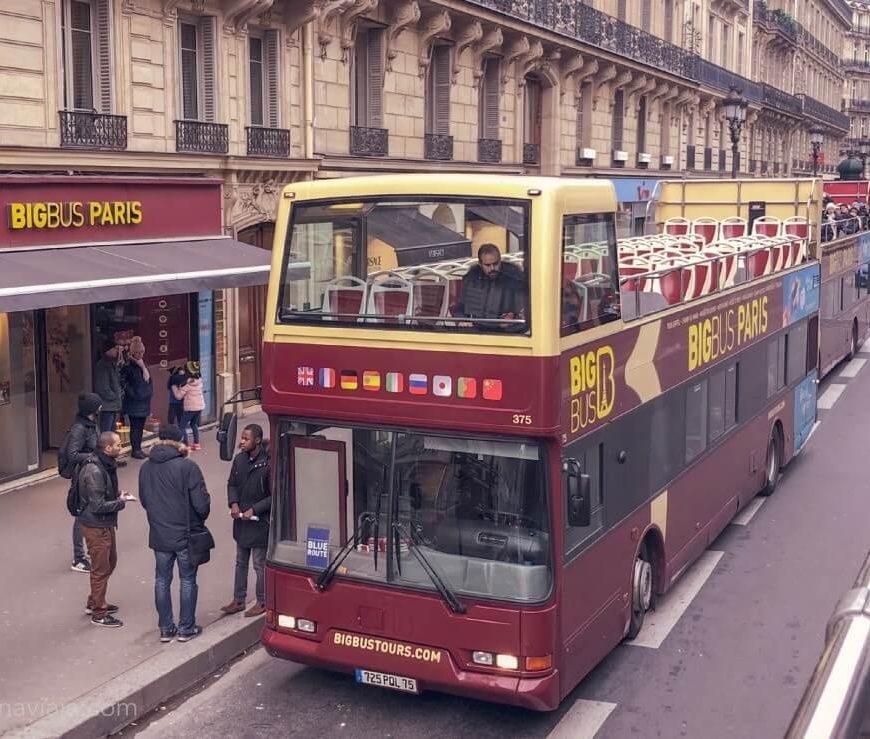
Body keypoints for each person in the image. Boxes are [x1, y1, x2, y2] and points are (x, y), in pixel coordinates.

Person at [139, 425, 210, 643]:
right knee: (187, 579)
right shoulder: (187, 466)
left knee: (162, 580)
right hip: (185, 534)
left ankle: (166, 628)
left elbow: (145, 500)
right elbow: (201, 504)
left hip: (159, 533)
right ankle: (186, 628)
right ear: (180, 440)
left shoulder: (145, 467)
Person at [77, 431, 135, 627]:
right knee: (101, 568)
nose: (121, 447)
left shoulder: (105, 464)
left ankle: (95, 601)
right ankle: (99, 614)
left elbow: (101, 494)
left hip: (104, 523)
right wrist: (121, 501)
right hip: (96, 524)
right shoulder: (94, 470)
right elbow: (97, 506)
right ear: (107, 448)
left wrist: (118, 494)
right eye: (118, 444)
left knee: (110, 562)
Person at [221, 425, 271, 618]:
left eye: (246, 438)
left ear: (257, 441)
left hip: (259, 522)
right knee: (240, 561)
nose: (242, 441)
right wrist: (233, 504)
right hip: (242, 521)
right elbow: (231, 484)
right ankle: (238, 599)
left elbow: (273, 495)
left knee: (259, 563)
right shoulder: (239, 460)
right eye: (242, 438)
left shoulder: (267, 464)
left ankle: (262, 600)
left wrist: (254, 509)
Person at [63, 391, 102, 573]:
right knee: (81, 514)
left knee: (89, 511)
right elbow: (72, 454)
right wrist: (95, 456)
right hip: (83, 476)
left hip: (90, 472)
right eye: (98, 405)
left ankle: (86, 552)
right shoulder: (80, 428)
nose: (101, 408)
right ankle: (79, 558)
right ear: (92, 409)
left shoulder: (91, 424)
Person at [458, 244, 527, 328]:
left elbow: (525, 310)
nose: (492, 268)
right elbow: (461, 306)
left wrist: (514, 318)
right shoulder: (472, 279)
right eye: (487, 265)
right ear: (480, 264)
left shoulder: (514, 278)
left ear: (500, 260)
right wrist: (462, 320)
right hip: (476, 330)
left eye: (495, 264)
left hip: (507, 333)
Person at [121, 336, 153, 460]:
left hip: (144, 401)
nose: (140, 354)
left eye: (141, 352)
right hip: (134, 402)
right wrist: (133, 393)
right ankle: (136, 450)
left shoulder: (144, 366)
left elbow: (149, 381)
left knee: (140, 427)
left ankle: (138, 448)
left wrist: (149, 392)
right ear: (133, 352)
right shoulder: (129, 366)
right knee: (135, 427)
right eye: (138, 352)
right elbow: (123, 382)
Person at [173, 361, 205, 450]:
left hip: (191, 408)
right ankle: (196, 444)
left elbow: (179, 396)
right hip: (200, 407)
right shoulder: (199, 381)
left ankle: (186, 445)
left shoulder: (187, 385)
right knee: (194, 424)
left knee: (182, 426)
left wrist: (174, 387)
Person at [94, 341, 123, 435]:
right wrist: (115, 396)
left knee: (111, 433)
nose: (117, 351)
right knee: (106, 433)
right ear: (108, 350)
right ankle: (103, 450)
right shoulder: (102, 365)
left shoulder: (112, 364)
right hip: (106, 407)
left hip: (113, 406)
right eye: (115, 348)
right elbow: (103, 388)